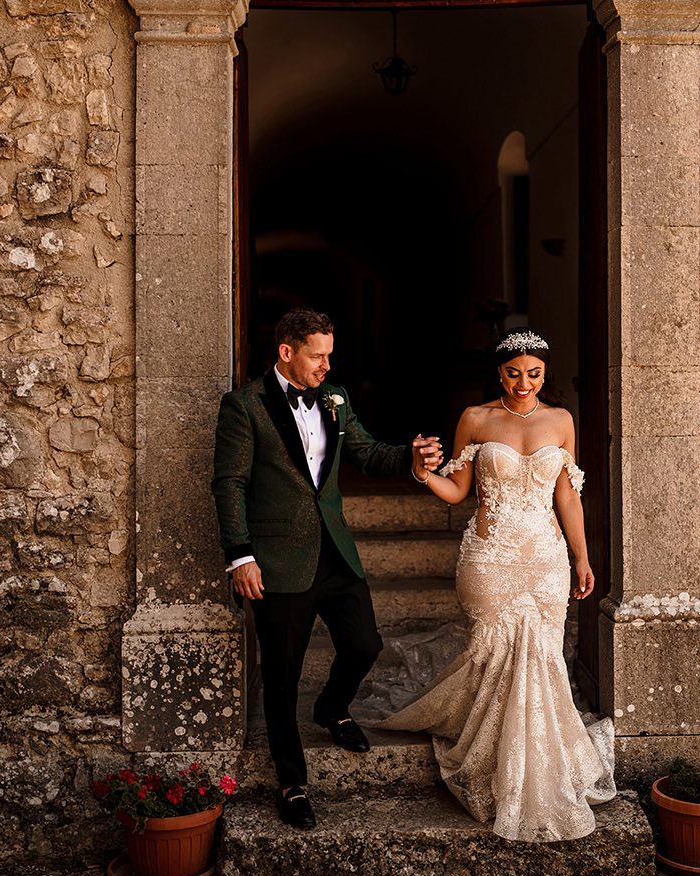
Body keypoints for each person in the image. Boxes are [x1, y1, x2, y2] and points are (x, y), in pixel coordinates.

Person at [376, 329, 617, 841]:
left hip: (546, 559)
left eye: (534, 374)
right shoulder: (476, 419)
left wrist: (582, 557)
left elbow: (567, 498)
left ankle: (538, 771)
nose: (523, 383)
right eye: (514, 373)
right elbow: (455, 490)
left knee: (545, 655)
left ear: (545, 374)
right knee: (494, 651)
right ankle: (492, 769)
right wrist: (423, 473)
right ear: (499, 372)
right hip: (490, 556)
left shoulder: (562, 421)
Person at [212, 308, 444, 830]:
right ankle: (292, 783)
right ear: (287, 352)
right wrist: (241, 556)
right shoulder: (244, 406)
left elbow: (365, 452)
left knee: (365, 644)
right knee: (282, 673)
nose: (326, 365)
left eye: (330, 355)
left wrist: (411, 458)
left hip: (335, 552)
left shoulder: (336, 398)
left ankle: (332, 707)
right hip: (276, 561)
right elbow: (230, 484)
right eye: (317, 355)